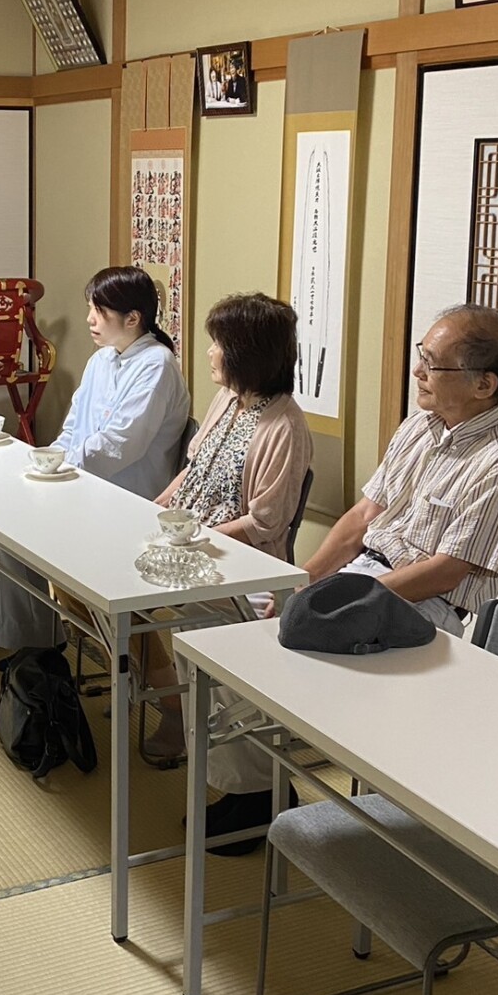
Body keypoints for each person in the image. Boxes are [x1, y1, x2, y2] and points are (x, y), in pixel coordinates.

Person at [141, 293, 313, 850]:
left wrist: (196, 537)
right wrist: (152, 514)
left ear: (246, 352)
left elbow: (266, 522)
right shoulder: (227, 400)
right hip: (192, 542)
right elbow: (188, 478)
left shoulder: (284, 424)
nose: (210, 353)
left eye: (219, 343)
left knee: (206, 636)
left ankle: (253, 793)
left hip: (245, 564)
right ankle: (178, 723)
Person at [0, 265, 191, 653]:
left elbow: (120, 445)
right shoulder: (102, 359)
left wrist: (62, 470)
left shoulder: (157, 365)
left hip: (123, 495)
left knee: (12, 523)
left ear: (133, 319)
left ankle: (35, 646)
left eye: (98, 311)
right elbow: (73, 427)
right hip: (81, 480)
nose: (89, 319)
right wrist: (50, 462)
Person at [292, 303, 498, 635]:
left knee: (293, 646)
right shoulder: (418, 427)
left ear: (483, 386)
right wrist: (301, 585)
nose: (418, 371)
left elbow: (445, 571)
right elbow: (364, 515)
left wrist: (347, 598)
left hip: (425, 606)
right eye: (422, 356)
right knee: (265, 628)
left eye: (433, 364)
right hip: (363, 577)